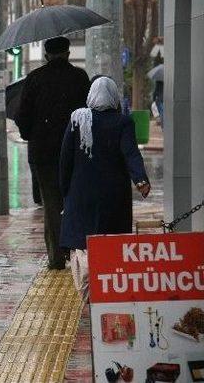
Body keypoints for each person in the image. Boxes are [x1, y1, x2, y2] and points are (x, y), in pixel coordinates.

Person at [60, 77, 150, 303]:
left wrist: (66, 192)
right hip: (113, 196)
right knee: (111, 243)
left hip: (81, 194)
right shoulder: (123, 122)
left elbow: (65, 160)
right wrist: (140, 180)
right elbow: (131, 153)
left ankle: (89, 292)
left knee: (82, 243)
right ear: (114, 97)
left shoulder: (78, 119)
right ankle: (110, 286)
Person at [14, 36, 90, 270]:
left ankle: (56, 257)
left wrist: (32, 135)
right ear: (68, 53)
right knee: (76, 200)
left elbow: (21, 116)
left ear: (46, 56)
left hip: (43, 153)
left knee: (52, 204)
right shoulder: (79, 77)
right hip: (77, 150)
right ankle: (79, 254)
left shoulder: (35, 79)